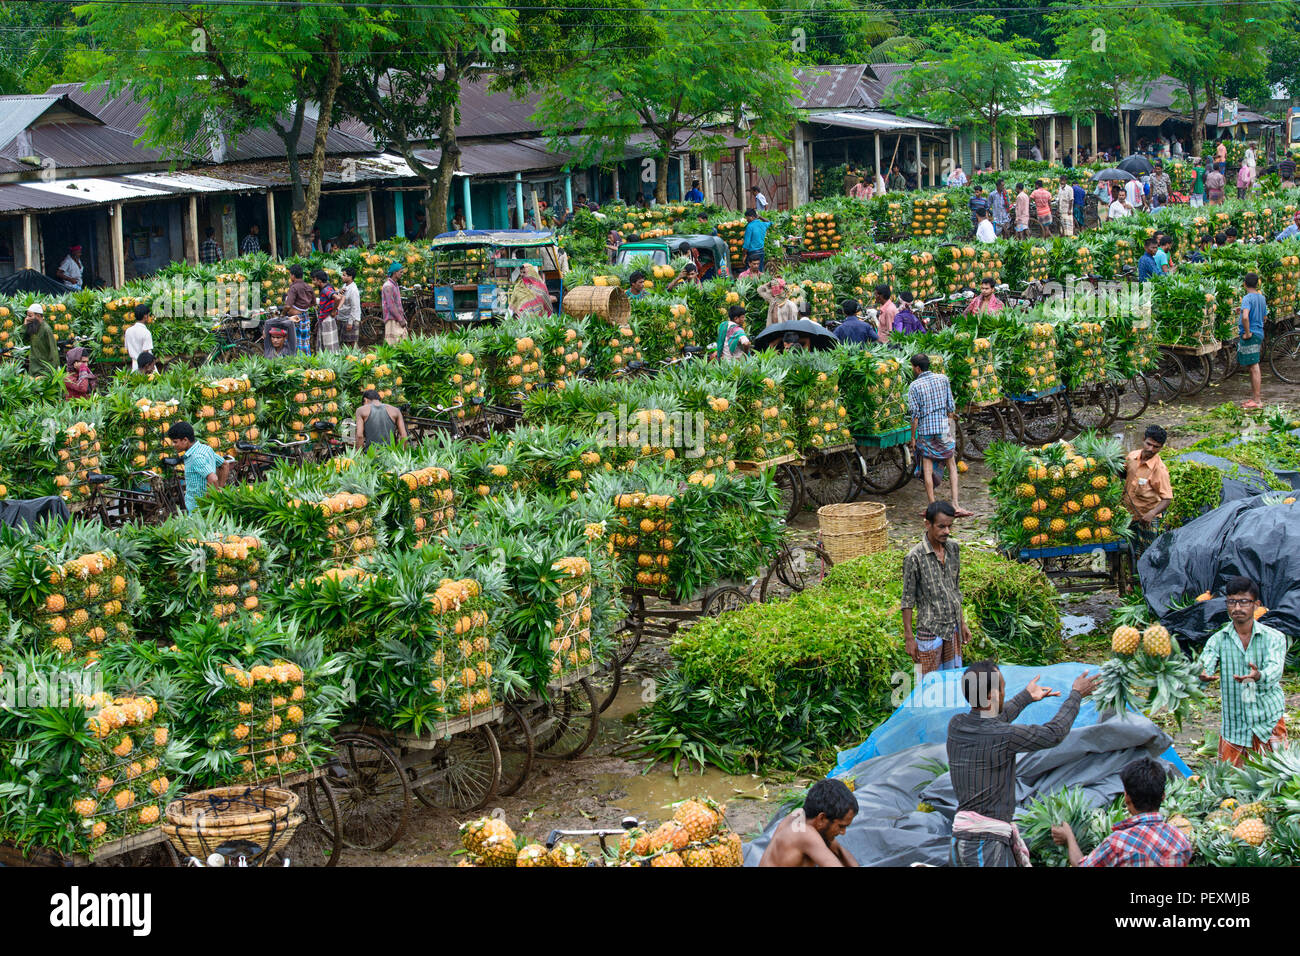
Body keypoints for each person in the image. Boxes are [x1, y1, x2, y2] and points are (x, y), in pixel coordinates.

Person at [947, 660, 1098, 867]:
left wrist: (1025, 697)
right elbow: (1053, 734)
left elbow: (992, 719)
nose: (1004, 693)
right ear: (991, 695)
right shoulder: (1003, 736)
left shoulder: (956, 725)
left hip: (960, 840)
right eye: (1002, 689)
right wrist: (1076, 695)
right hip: (984, 845)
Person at [1197, 575, 1287, 766]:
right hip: (1235, 727)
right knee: (1231, 789)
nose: (1237, 608)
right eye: (1232, 602)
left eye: (1244, 602)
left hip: (1268, 721)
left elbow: (1275, 669)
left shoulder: (1275, 638)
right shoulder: (1218, 640)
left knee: (1278, 784)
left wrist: (1259, 675)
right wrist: (1202, 674)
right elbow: (1206, 662)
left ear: (1256, 604)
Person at [1051, 757, 1192, 867]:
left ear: (1127, 797)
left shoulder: (1117, 843)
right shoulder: (1181, 840)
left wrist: (1069, 838)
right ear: (1163, 796)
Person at [901, 501, 971, 674]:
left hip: (952, 627)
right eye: (941, 526)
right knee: (928, 682)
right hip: (930, 629)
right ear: (927, 524)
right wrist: (909, 638)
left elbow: (955, 589)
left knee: (951, 679)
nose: (946, 531)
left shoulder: (953, 548)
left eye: (949, 526)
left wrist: (962, 623)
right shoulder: (914, 557)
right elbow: (907, 600)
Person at [906, 355, 969, 516]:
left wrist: (913, 437)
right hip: (943, 428)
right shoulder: (943, 379)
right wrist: (947, 425)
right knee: (952, 465)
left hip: (926, 430)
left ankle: (932, 506)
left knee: (927, 469)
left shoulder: (914, 386)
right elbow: (951, 407)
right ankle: (955, 504)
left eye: (913, 367)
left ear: (917, 369)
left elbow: (915, 416)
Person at [759, 778, 858, 867]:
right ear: (822, 818)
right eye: (841, 826)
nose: (843, 832)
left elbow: (839, 851)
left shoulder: (801, 817)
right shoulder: (804, 833)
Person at [1122, 424, 1173, 556]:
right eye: (1148, 444)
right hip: (1128, 515)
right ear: (1143, 439)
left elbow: (1167, 498)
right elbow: (1125, 473)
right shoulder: (1132, 457)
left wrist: (1152, 513)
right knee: (1130, 551)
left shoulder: (1159, 470)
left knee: (1147, 554)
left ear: (1161, 447)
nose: (1151, 449)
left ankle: (1143, 577)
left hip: (1147, 519)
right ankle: (1132, 575)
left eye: (1156, 447)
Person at [167, 421, 230, 512]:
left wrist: (210, 500)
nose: (173, 445)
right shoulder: (205, 449)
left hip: (198, 509)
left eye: (175, 442)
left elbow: (213, 478)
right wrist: (220, 488)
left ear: (185, 440)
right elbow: (224, 464)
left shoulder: (195, 457)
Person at [1239, 272, 1267, 410]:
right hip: (1259, 332)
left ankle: (1257, 400)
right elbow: (1265, 317)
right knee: (1252, 366)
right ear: (1257, 284)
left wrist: (1248, 332)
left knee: (1254, 366)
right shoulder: (1261, 298)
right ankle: (1255, 398)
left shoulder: (1247, 298)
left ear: (1244, 284)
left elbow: (1245, 317)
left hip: (1252, 334)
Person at [282, 264, 315, 355]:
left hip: (295, 318)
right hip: (305, 316)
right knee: (305, 341)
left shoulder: (294, 287)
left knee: (294, 342)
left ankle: (296, 364)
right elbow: (313, 302)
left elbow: (288, 306)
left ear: (292, 275)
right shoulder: (308, 286)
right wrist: (304, 308)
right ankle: (306, 362)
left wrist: (283, 314)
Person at [22, 303, 58, 377]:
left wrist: (49, 372)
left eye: (30, 316)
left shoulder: (46, 329)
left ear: (38, 316)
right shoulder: (33, 327)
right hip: (33, 368)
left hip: (44, 370)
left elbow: (53, 352)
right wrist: (25, 325)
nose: (27, 318)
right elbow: (24, 341)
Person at [311, 269, 341, 352]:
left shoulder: (325, 289)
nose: (313, 282)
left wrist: (334, 310)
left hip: (327, 318)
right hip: (326, 318)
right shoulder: (328, 287)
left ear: (319, 281)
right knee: (327, 342)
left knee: (329, 344)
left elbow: (338, 298)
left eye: (314, 280)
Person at [120, 302, 154, 373]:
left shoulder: (128, 331)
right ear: (145, 316)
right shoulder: (146, 333)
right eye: (148, 315)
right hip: (146, 367)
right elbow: (145, 355)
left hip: (134, 365)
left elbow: (128, 350)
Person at [381, 261, 408, 345]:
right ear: (395, 272)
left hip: (397, 318)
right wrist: (400, 319)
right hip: (392, 319)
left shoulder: (394, 285)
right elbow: (391, 306)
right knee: (394, 345)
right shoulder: (388, 286)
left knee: (402, 343)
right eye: (400, 272)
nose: (402, 274)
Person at [336, 266, 362, 348]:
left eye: (344, 275)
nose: (342, 276)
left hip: (351, 320)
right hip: (343, 318)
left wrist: (350, 323)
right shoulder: (345, 285)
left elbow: (355, 307)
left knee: (351, 343)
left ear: (350, 277)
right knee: (344, 343)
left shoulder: (353, 290)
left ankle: (355, 358)